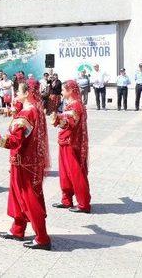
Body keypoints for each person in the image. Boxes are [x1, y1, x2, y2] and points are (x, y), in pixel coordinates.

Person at [0, 79, 51, 250]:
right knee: (18, 196)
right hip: (26, 161)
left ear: (27, 93)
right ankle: (17, 229)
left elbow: (15, 141)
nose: (16, 93)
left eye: (19, 91)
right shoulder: (34, 110)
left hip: (24, 163)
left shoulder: (27, 114)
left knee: (29, 198)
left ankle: (42, 238)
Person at [51, 80, 91, 213]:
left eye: (63, 89)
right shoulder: (71, 104)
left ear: (70, 90)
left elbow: (71, 123)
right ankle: (66, 200)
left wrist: (58, 120)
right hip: (64, 141)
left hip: (71, 143)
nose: (61, 92)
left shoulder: (76, 106)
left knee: (75, 173)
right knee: (64, 173)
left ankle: (84, 204)